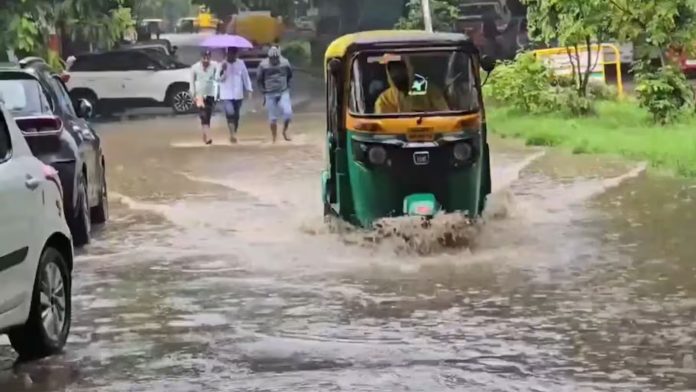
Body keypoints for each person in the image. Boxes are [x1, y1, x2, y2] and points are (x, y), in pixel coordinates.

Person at [374, 59, 449, 114]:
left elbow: (446, 117)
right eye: (392, 70)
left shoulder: (430, 91)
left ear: (410, 69)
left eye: (401, 68)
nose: (397, 73)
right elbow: (382, 129)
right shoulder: (384, 100)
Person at [257, 46, 293, 142]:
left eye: (276, 59)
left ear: (279, 57)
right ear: (269, 58)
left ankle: (284, 131)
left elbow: (290, 75)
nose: (274, 61)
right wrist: (263, 91)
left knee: (288, 113)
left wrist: (287, 86)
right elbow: (259, 80)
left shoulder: (285, 63)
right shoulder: (263, 65)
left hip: (283, 91)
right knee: (272, 118)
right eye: (272, 59)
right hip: (269, 93)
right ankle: (274, 138)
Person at [218, 47, 253, 143]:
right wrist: (224, 71)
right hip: (226, 94)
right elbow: (218, 79)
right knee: (230, 113)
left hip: (238, 94)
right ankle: (232, 135)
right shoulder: (222, 64)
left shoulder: (241, 63)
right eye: (230, 54)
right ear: (227, 54)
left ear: (236, 54)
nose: (231, 56)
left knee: (236, 116)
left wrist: (249, 89)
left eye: (233, 54)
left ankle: (233, 133)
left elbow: (245, 77)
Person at [190, 50, 219, 144]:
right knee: (203, 115)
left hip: (210, 94)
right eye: (204, 58)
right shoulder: (194, 67)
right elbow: (192, 82)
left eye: (208, 58)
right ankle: (209, 137)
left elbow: (218, 78)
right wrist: (193, 95)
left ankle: (205, 135)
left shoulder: (215, 65)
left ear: (210, 57)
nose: (206, 60)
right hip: (199, 95)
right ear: (201, 58)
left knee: (208, 116)